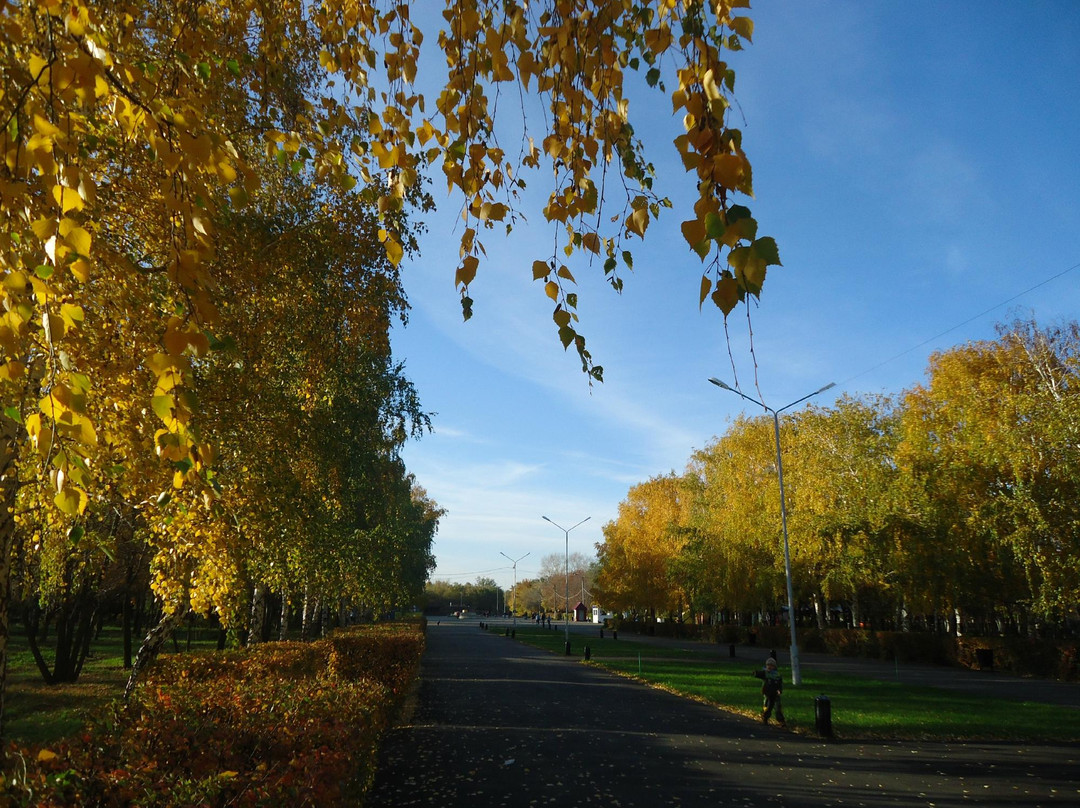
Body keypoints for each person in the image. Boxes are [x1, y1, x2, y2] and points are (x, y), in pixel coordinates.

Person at [752, 657, 786, 726]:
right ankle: (765, 717)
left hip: (775, 693)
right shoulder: (765, 673)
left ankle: (780, 720)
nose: (769, 667)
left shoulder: (777, 675)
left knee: (778, 707)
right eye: (768, 665)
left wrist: (779, 690)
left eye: (771, 665)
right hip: (768, 693)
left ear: (774, 666)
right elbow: (759, 674)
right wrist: (755, 673)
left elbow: (779, 684)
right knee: (768, 706)